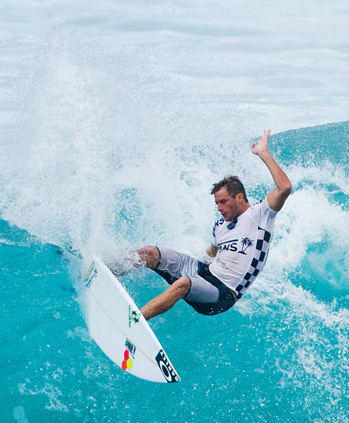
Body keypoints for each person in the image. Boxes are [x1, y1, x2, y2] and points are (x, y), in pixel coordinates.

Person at [125, 130, 292, 320]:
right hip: (205, 273)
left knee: (183, 284)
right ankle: (104, 267)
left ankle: (134, 321)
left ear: (239, 197)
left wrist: (263, 154)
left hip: (223, 294)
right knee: (149, 253)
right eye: (216, 203)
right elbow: (211, 253)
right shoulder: (221, 225)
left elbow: (285, 187)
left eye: (223, 202)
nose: (219, 208)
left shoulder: (261, 215)